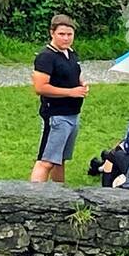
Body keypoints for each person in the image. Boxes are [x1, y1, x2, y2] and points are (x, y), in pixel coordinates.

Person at [30, 14, 87, 183]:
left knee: (59, 159)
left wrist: (82, 83)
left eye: (69, 34)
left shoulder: (70, 53)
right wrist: (71, 92)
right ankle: (34, 199)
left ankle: (60, 196)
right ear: (52, 33)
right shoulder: (46, 57)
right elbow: (40, 88)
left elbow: (74, 72)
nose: (66, 38)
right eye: (62, 34)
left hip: (72, 114)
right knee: (46, 161)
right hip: (56, 116)